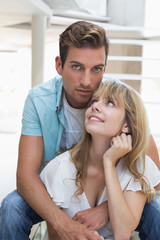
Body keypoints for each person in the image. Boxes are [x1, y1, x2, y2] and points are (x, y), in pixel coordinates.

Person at [0, 20, 160, 240]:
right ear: (59, 65)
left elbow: (153, 175)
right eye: (77, 67)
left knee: (157, 211)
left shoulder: (123, 98)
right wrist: (63, 222)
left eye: (97, 69)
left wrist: (106, 209)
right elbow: (26, 176)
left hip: (115, 195)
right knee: (12, 207)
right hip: (58, 195)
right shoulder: (39, 101)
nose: (87, 81)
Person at [40, 80, 160, 240]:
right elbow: (54, 235)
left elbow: (122, 233)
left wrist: (109, 162)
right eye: (94, 101)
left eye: (110, 103)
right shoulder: (59, 168)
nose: (95, 106)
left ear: (126, 125)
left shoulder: (139, 166)